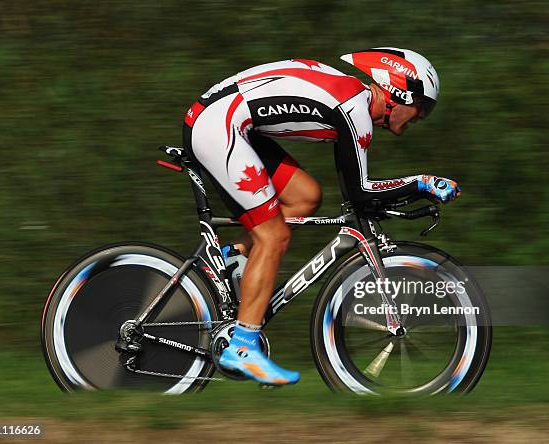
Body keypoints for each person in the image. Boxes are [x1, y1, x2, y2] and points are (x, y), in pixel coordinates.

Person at [182, 47, 460, 386]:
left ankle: (233, 258)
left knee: (306, 197)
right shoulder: (353, 109)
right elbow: (360, 192)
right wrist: (420, 183)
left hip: (228, 119)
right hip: (220, 124)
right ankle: (242, 348)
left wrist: (408, 188)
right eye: (422, 107)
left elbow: (357, 193)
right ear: (398, 91)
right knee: (274, 236)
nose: (420, 117)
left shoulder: (352, 100)